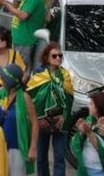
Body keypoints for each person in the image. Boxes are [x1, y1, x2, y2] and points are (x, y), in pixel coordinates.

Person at [28, 43, 74, 176]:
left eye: (60, 56)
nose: (58, 58)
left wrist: (64, 116)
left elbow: (69, 98)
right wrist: (38, 117)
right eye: (54, 56)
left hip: (59, 119)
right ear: (46, 57)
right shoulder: (38, 73)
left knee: (59, 157)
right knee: (41, 157)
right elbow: (32, 97)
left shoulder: (65, 74)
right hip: (42, 120)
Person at [0, 0, 46, 68]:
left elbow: (23, 15)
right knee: (17, 67)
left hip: (25, 40)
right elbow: (16, 8)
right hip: (20, 39)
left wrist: (5, 4)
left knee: (21, 69)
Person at [70, 91, 104, 176]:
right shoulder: (91, 118)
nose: (88, 106)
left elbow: (102, 148)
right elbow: (80, 140)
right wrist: (81, 130)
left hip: (100, 169)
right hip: (86, 167)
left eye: (91, 104)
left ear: (99, 108)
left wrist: (89, 132)